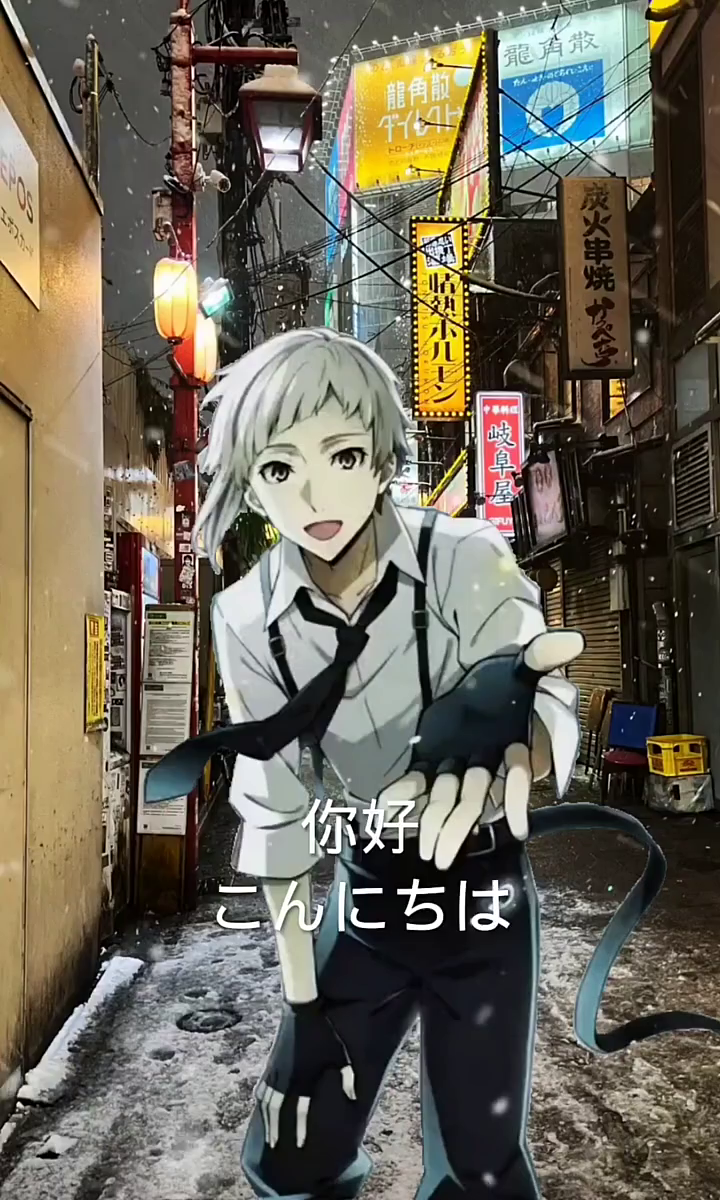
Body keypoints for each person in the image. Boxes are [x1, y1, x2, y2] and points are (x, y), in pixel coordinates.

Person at [144, 328, 720, 1198]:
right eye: (280, 468)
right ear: (252, 483)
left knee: (482, 1172)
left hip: (483, 896)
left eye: (343, 456)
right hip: (367, 892)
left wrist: (510, 724)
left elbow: (537, 681)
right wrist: (301, 1005)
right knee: (288, 1154)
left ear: (383, 456)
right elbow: (276, 814)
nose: (315, 496)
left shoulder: (465, 557)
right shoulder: (246, 617)